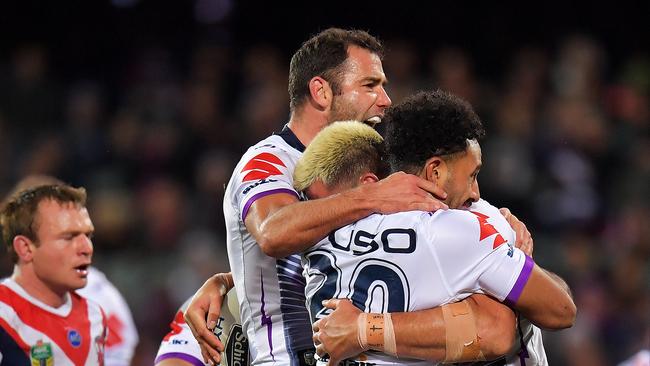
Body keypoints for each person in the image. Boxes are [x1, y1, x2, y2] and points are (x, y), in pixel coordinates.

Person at [185, 28, 530, 365]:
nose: (385, 100)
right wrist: (372, 197)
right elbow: (274, 233)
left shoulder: (374, 160)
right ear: (321, 91)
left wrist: (494, 226)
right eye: (370, 85)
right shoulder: (269, 161)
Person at [298, 92, 575, 365]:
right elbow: (556, 312)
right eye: (473, 175)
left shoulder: (314, 239)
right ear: (435, 172)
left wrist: (363, 328)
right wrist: (517, 256)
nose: (476, 192)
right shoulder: (467, 226)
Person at [2, 175, 139, 366]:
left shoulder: (95, 314)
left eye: (88, 235)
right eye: (68, 237)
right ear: (25, 248)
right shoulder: (4, 316)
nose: (87, 248)